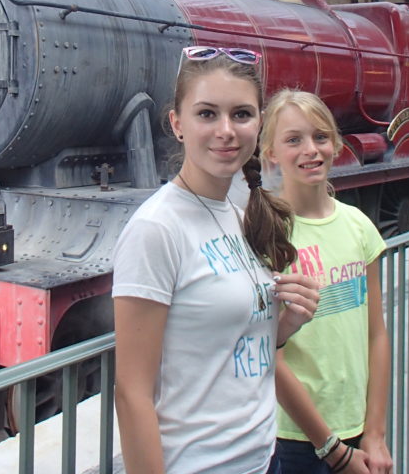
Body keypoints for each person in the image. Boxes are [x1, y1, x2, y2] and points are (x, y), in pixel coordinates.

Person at [113, 46, 321, 474]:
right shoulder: (156, 229)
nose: (226, 130)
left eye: (241, 114)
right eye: (207, 114)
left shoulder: (235, 215)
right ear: (178, 124)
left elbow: (228, 349)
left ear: (258, 123)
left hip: (262, 457)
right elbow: (131, 393)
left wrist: (283, 326)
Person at [260, 90, 392, 474]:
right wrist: (331, 449)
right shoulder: (271, 237)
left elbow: (377, 334)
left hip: (357, 428)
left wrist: (376, 432)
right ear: (271, 152)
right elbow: (272, 354)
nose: (310, 150)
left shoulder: (359, 227)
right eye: (293, 140)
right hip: (296, 437)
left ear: (335, 144)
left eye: (320, 137)